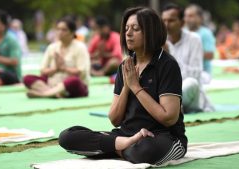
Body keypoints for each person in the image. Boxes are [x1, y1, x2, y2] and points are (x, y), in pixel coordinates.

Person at [59, 7, 187, 164]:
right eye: (126, 28)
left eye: (135, 29)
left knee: (144, 153)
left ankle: (118, 147)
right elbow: (114, 119)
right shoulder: (126, 66)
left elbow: (168, 118)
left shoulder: (167, 65)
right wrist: (127, 85)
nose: (128, 33)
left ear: (151, 32)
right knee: (67, 136)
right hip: (126, 134)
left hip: (162, 136)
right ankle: (125, 145)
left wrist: (135, 87)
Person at [162, 3, 214, 113]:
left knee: (191, 83)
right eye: (164, 21)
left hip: (187, 92)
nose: (166, 24)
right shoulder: (160, 41)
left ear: (181, 23)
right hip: (166, 92)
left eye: (171, 20)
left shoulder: (194, 39)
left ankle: (171, 108)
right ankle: (171, 108)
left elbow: (194, 75)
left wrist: (170, 55)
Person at [23, 18, 90, 98]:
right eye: (58, 29)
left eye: (64, 30)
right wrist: (55, 69)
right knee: (27, 78)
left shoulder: (80, 47)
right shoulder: (52, 47)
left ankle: (45, 94)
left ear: (72, 32)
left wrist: (64, 68)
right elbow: (42, 70)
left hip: (73, 87)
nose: (60, 32)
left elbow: (81, 72)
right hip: (53, 84)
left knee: (73, 80)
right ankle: (54, 93)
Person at [184, 4, 215, 83]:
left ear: (200, 18)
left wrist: (191, 53)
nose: (187, 19)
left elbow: (210, 55)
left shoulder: (205, 33)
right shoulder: (183, 33)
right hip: (185, 71)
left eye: (191, 16)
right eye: (186, 16)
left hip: (203, 73)